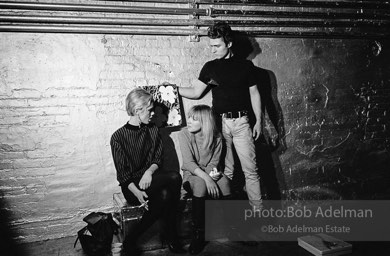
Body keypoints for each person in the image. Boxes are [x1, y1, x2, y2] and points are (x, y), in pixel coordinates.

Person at [177, 21, 263, 210]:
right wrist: (171, 89)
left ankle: (258, 215)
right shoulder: (210, 67)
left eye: (217, 46)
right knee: (224, 171)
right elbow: (196, 92)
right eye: (211, 46)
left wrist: (259, 122)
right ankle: (228, 218)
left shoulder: (246, 66)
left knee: (251, 171)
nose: (212, 50)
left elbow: (255, 93)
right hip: (219, 124)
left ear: (229, 44)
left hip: (242, 123)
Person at [110, 88, 185, 255]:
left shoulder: (152, 129)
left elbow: (158, 159)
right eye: (150, 110)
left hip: (152, 178)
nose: (152, 114)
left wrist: (149, 172)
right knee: (173, 178)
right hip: (131, 186)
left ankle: (131, 240)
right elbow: (123, 175)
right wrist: (137, 192)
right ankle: (170, 234)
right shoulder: (118, 137)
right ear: (138, 110)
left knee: (166, 192)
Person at [178, 104, 231, 254]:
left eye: (194, 119)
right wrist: (208, 179)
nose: (189, 121)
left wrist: (211, 175)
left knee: (225, 182)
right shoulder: (184, 134)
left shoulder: (217, 137)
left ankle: (235, 229)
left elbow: (214, 162)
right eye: (189, 117)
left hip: (209, 172)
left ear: (205, 122)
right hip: (192, 175)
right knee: (201, 183)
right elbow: (188, 163)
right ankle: (198, 235)